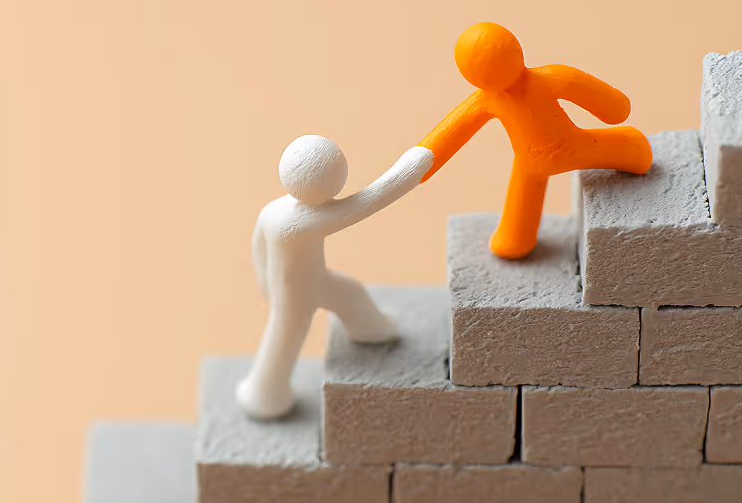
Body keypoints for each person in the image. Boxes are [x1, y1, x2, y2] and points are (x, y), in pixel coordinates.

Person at [237, 135, 434, 420]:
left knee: (349, 294)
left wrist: (264, 279)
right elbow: (369, 201)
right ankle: (265, 391)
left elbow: (258, 247)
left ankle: (370, 329)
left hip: (312, 280)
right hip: (296, 294)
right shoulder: (305, 221)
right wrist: (413, 166)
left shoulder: (273, 210)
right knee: (286, 335)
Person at [418, 22, 652, 259]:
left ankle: (516, 238)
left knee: (522, 204)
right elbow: (615, 107)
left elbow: (446, 136)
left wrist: (421, 165)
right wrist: (420, 164)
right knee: (631, 148)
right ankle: (633, 149)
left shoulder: (534, 83)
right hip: (559, 153)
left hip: (560, 152)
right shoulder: (543, 79)